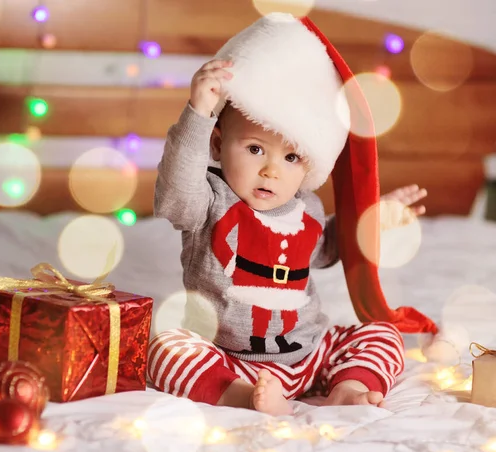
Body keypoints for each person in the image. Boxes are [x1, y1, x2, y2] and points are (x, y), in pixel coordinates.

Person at [147, 13, 436, 415]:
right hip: (232, 360)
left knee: (382, 334)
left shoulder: (307, 207)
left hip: (310, 354)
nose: (271, 170)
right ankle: (243, 398)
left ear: (309, 166)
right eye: (254, 149)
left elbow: (328, 248)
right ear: (216, 145)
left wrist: (376, 220)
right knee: (166, 348)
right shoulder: (208, 199)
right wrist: (198, 113)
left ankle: (348, 388)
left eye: (291, 156)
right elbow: (175, 190)